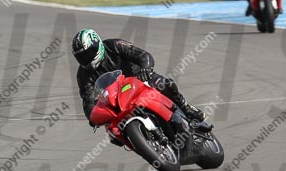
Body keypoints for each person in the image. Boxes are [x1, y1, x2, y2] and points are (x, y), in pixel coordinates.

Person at [72, 29, 206, 126]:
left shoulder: (115, 46)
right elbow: (87, 100)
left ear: (97, 45)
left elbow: (143, 55)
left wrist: (145, 69)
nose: (85, 59)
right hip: (116, 99)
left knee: (164, 83)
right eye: (81, 56)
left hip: (139, 81)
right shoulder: (83, 75)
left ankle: (187, 108)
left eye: (88, 53)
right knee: (112, 132)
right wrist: (92, 117)